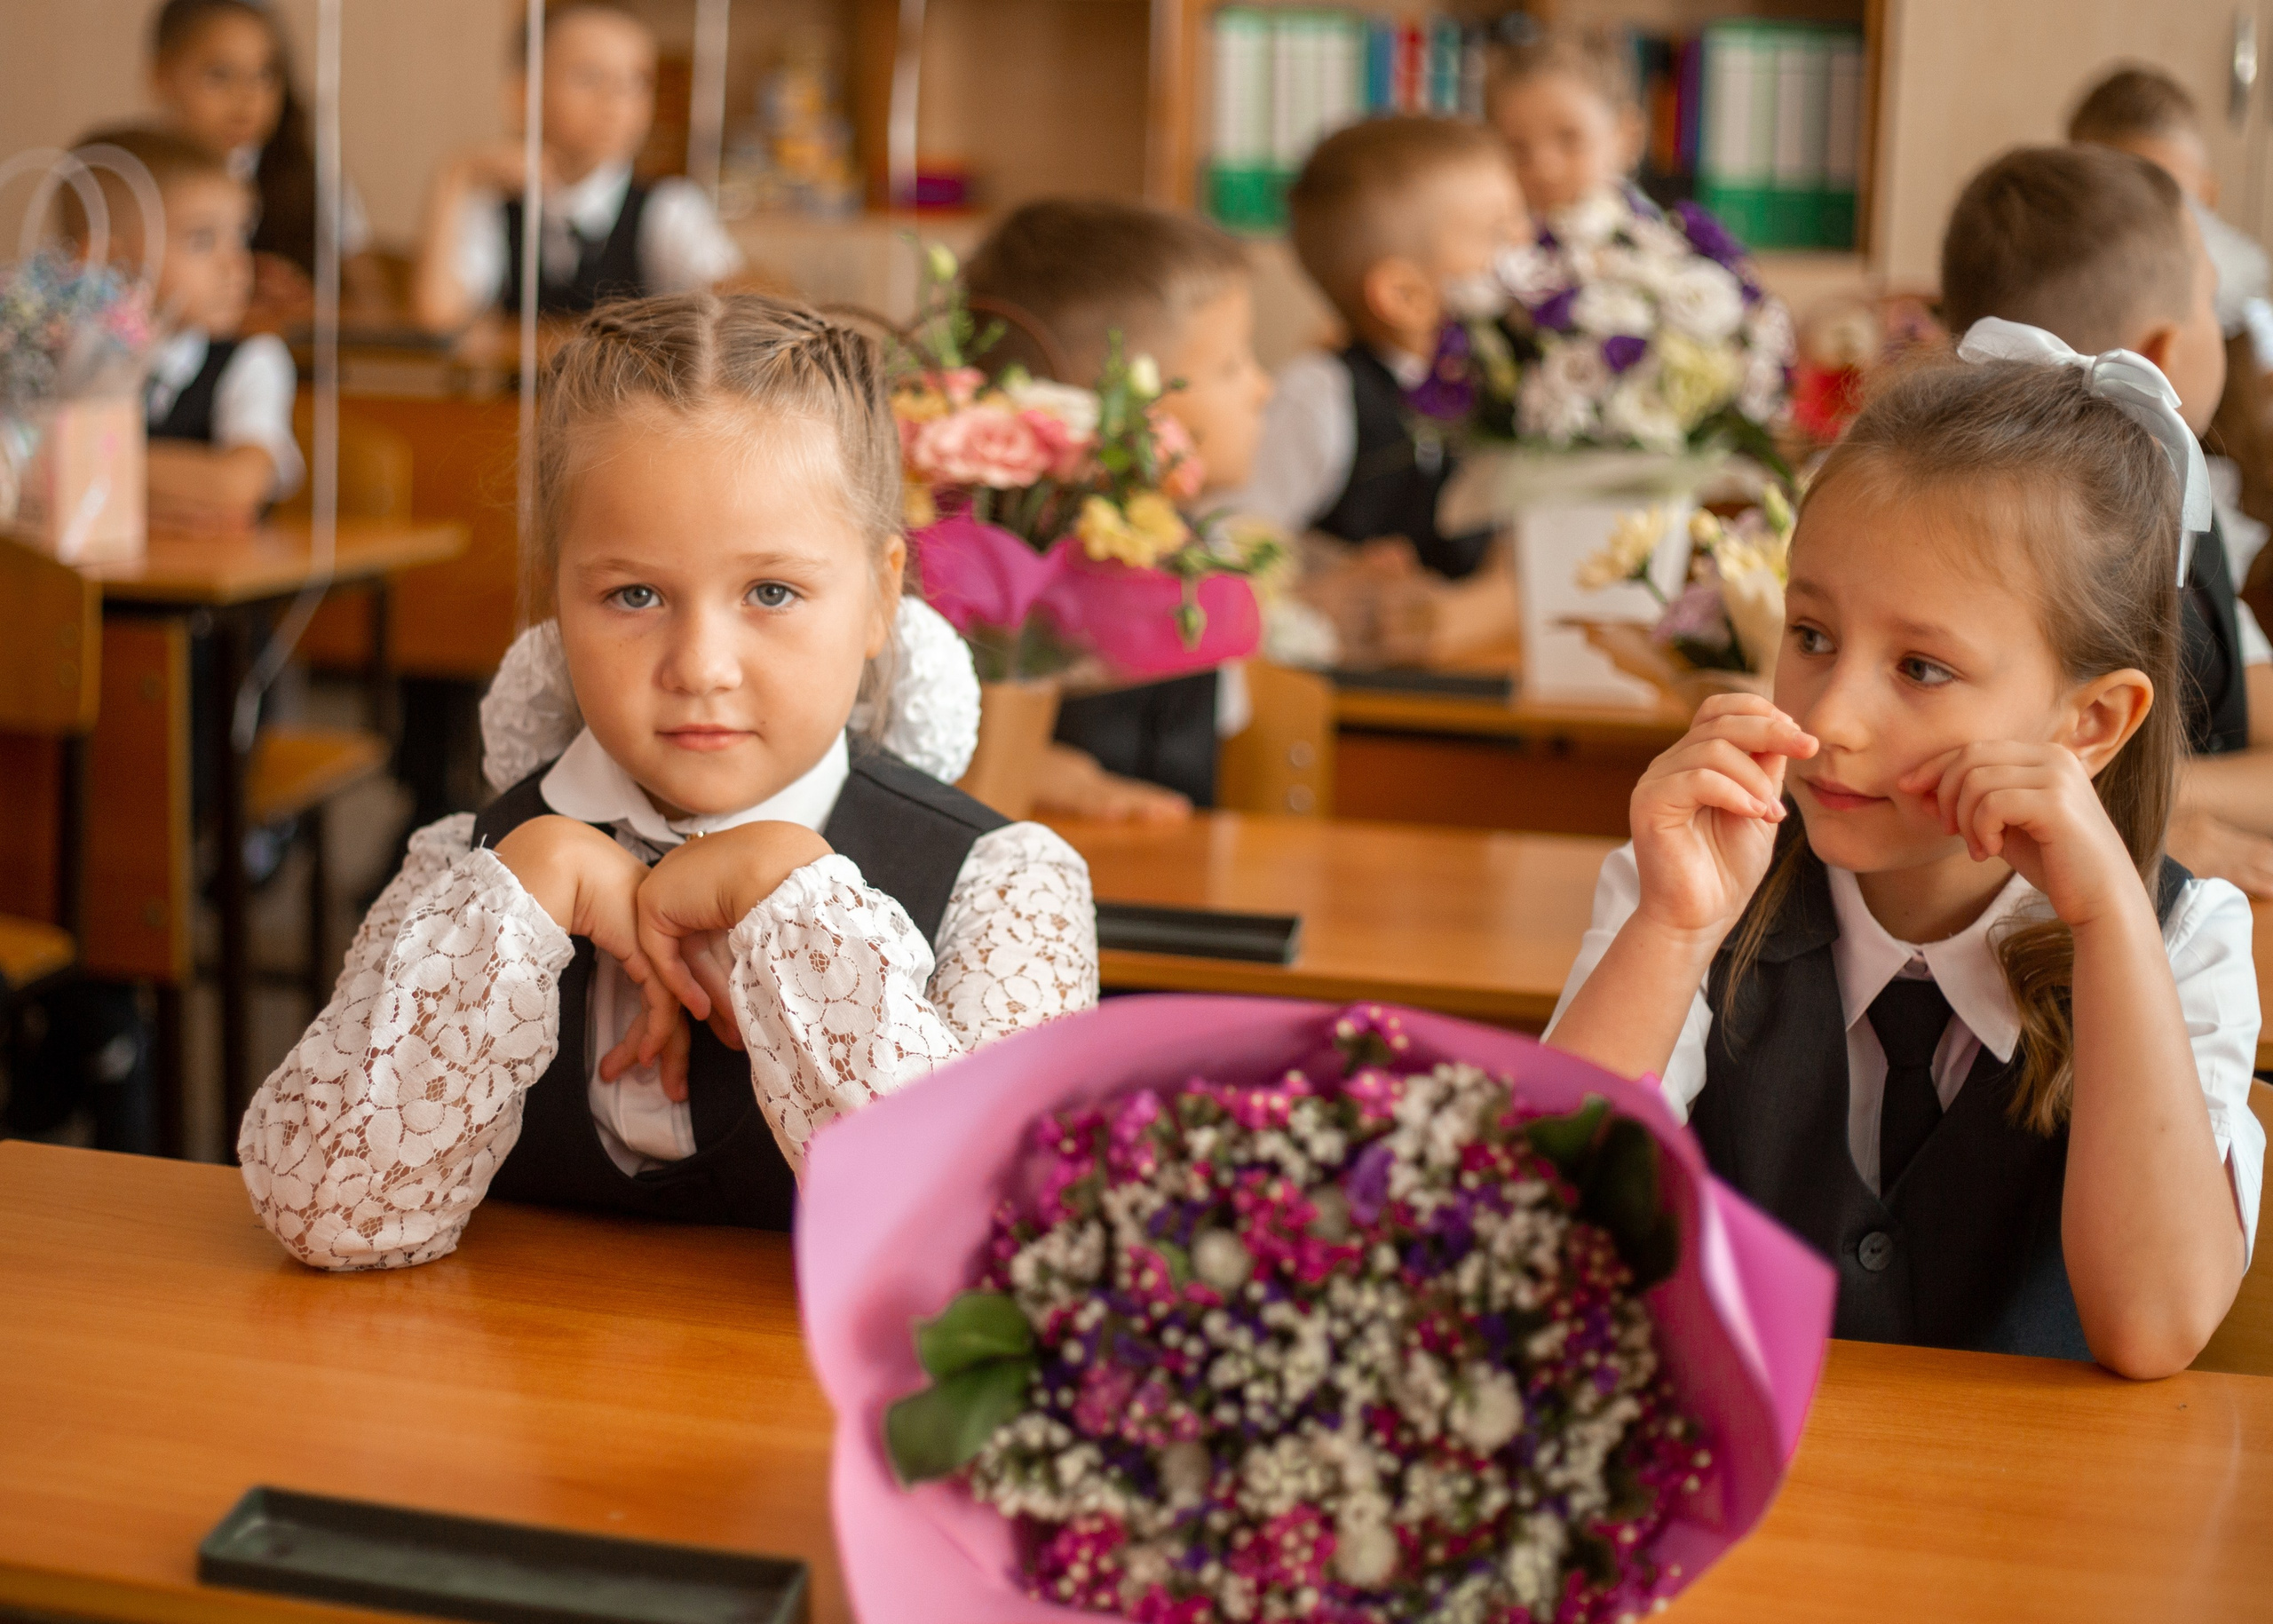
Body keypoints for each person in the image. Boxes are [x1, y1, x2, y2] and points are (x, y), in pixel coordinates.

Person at [237, 294, 1098, 1271]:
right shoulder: (466, 873)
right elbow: (323, 1213)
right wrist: (531, 887)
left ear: (879, 596)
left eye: (771, 591)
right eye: (634, 594)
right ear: (559, 598)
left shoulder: (1001, 885)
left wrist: (786, 896)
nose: (701, 666)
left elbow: (996, 1256)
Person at [1548, 345, 2261, 1378]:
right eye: (1810, 634)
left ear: (2091, 722)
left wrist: (2109, 925)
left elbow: (2150, 1327)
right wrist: (1670, 930)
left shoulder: (2182, 939)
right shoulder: (1686, 883)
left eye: (1921, 667)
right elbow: (1536, 1235)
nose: (1831, 717)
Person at [1941, 144, 2273, 898]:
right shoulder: (1967, 540)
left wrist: (2157, 802)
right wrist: (2133, 819)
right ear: (2161, 352)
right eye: (2210, 302)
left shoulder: (2188, 522)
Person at [962, 199, 1275, 817]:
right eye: (1230, 365)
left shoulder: (1193, 558)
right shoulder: (992, 567)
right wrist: (1030, 765)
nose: (1263, 388)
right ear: (1117, 407)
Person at [1236, 115, 1525, 588]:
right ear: (1405, 296)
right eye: (1498, 234)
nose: (1527, 247)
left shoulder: (1512, 386)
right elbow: (1231, 540)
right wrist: (1321, 575)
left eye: (1523, 222)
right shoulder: (1321, 396)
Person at [411, 0, 742, 332]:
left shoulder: (669, 206)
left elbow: (732, 298)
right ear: (525, 93)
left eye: (636, 81)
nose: (615, 101)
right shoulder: (497, 203)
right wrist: (455, 175)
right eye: (589, 77)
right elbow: (437, 313)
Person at [67, 125, 302, 529]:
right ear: (107, 257)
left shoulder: (253, 360)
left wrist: (81, 465)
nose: (235, 265)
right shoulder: (69, 357)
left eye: (241, 237)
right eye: (201, 240)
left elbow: (237, 483)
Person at [147, 0, 386, 326]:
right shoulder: (137, 179)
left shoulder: (313, 176)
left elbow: (370, 298)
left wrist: (306, 301)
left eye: (264, 75)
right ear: (163, 76)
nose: (246, 97)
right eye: (220, 75)